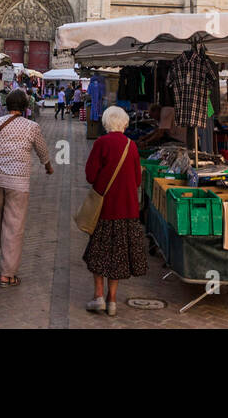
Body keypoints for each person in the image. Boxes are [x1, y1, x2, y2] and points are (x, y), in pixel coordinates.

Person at [0, 88, 52, 288]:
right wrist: (48, 166)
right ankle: (7, 273)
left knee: (2, 221)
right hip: (18, 181)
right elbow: (42, 149)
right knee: (14, 226)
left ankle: (7, 264)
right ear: (26, 107)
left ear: (6, 105)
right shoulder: (32, 127)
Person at [83, 105, 146, 316]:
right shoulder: (132, 145)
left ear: (106, 122)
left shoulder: (101, 143)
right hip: (127, 209)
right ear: (125, 123)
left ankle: (98, 297)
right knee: (118, 256)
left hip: (105, 208)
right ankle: (112, 301)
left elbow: (91, 176)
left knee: (99, 254)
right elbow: (137, 180)